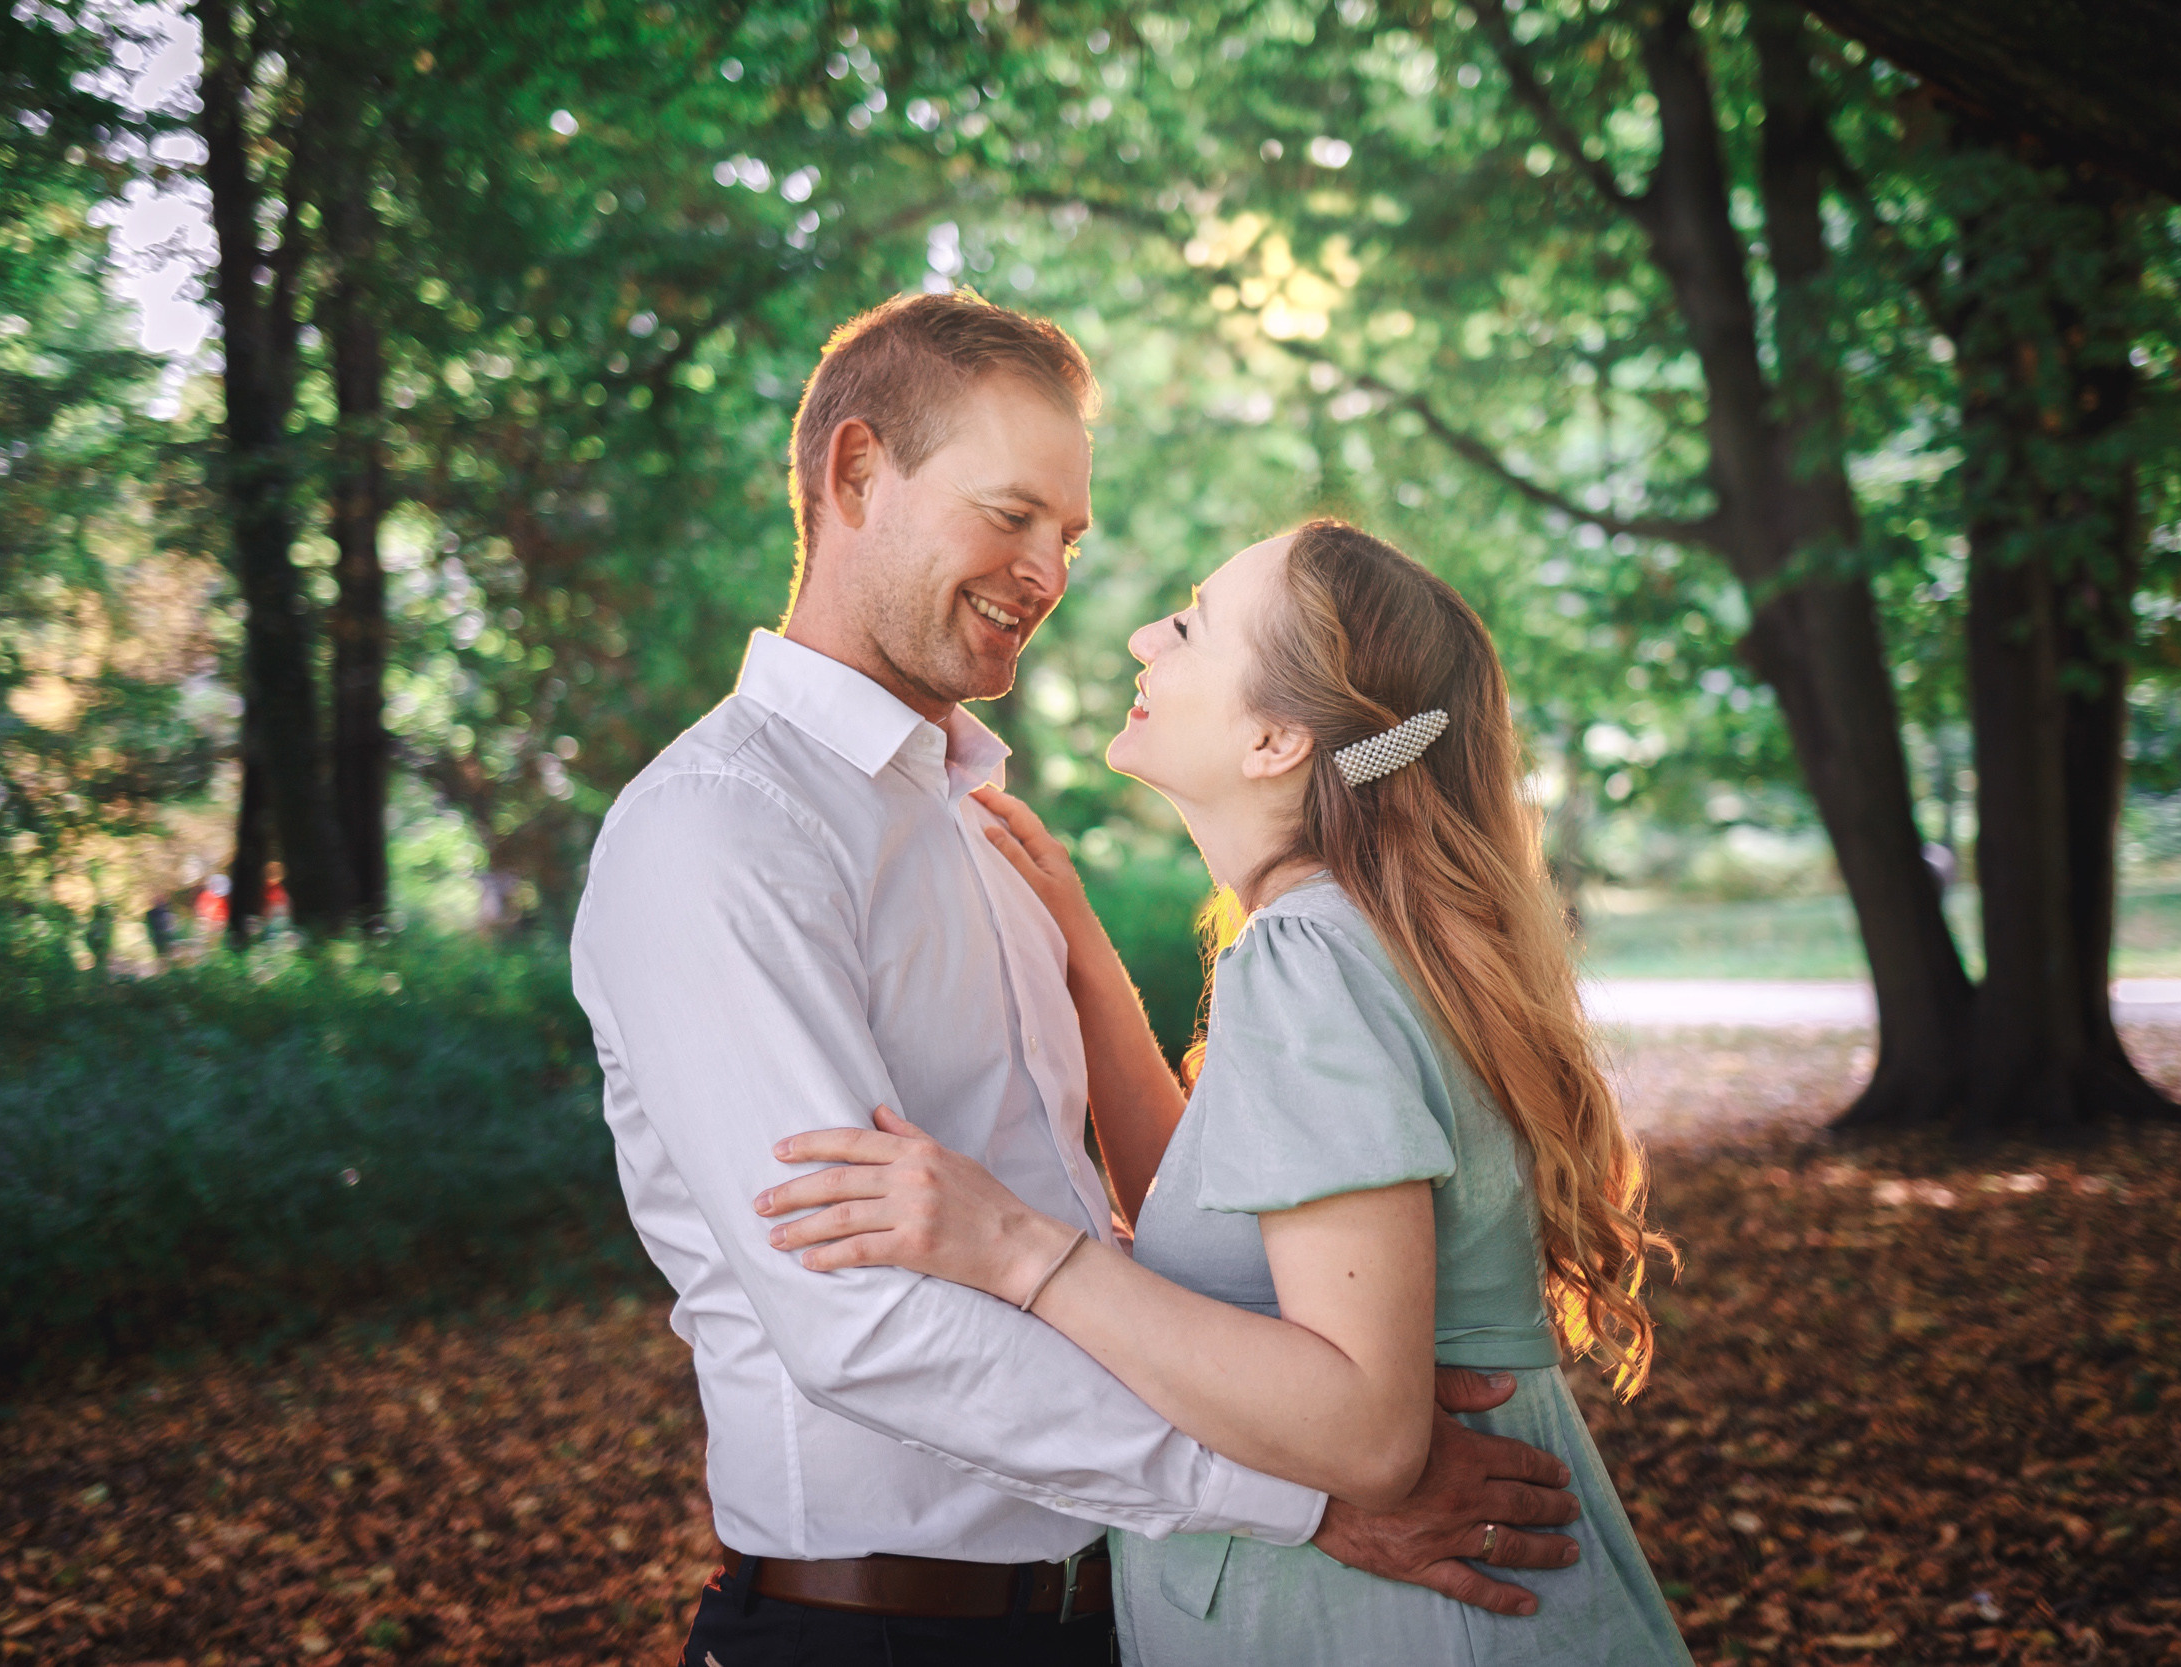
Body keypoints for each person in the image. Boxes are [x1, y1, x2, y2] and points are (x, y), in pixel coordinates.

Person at [571, 294, 1585, 1667]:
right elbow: (857, 1316)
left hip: (1120, 1607)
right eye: (1011, 515)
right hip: (875, 1632)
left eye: (1070, 535)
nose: (1049, 574)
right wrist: (1301, 1493)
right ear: (857, 471)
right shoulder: (720, 827)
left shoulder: (984, 833)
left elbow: (1127, 1225)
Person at [758, 520, 1693, 1664]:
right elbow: (1230, 1244)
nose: (1150, 633)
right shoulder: (1344, 937)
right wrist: (1086, 957)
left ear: (1273, 739)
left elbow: (1365, 1432)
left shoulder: (1313, 958)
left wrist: (1014, 1246)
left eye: (1193, 623)